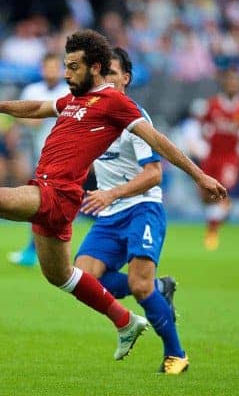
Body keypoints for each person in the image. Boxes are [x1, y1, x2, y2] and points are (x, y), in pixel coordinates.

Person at [0, 30, 226, 361]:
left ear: (95, 68)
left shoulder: (115, 102)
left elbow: (158, 141)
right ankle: (125, 322)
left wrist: (200, 176)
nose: (66, 74)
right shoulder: (75, 100)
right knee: (62, 276)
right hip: (52, 192)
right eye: (65, 66)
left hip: (58, 193)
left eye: (73, 67)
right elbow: (36, 108)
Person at [74, 47, 186, 373]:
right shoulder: (91, 115)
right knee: (85, 278)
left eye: (112, 73)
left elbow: (154, 174)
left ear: (125, 78)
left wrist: (111, 194)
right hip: (110, 213)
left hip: (142, 207)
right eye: (100, 74)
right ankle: (159, 289)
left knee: (139, 286)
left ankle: (176, 355)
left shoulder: (134, 118)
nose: (105, 81)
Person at [7, 53, 69, 266]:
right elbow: (20, 116)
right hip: (40, 154)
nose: (51, 72)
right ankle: (39, 251)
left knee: (44, 202)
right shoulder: (32, 91)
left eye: (55, 68)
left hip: (66, 156)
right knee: (46, 203)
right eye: (47, 68)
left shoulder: (68, 92)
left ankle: (37, 251)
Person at [199, 67, 239, 250]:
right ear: (224, 84)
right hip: (212, 157)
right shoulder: (213, 104)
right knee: (206, 196)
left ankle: (212, 231)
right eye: (229, 81)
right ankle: (220, 215)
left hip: (230, 158)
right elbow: (203, 127)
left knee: (222, 191)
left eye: (235, 82)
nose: (232, 85)